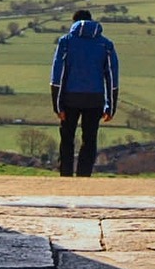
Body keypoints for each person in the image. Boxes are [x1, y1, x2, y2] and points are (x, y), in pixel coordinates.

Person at [50, 9, 119, 177]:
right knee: (89, 139)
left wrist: (57, 105)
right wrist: (110, 107)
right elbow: (111, 76)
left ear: (74, 23)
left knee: (67, 138)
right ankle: (84, 177)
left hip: (69, 98)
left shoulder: (65, 42)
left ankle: (65, 175)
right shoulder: (106, 45)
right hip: (94, 99)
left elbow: (57, 74)